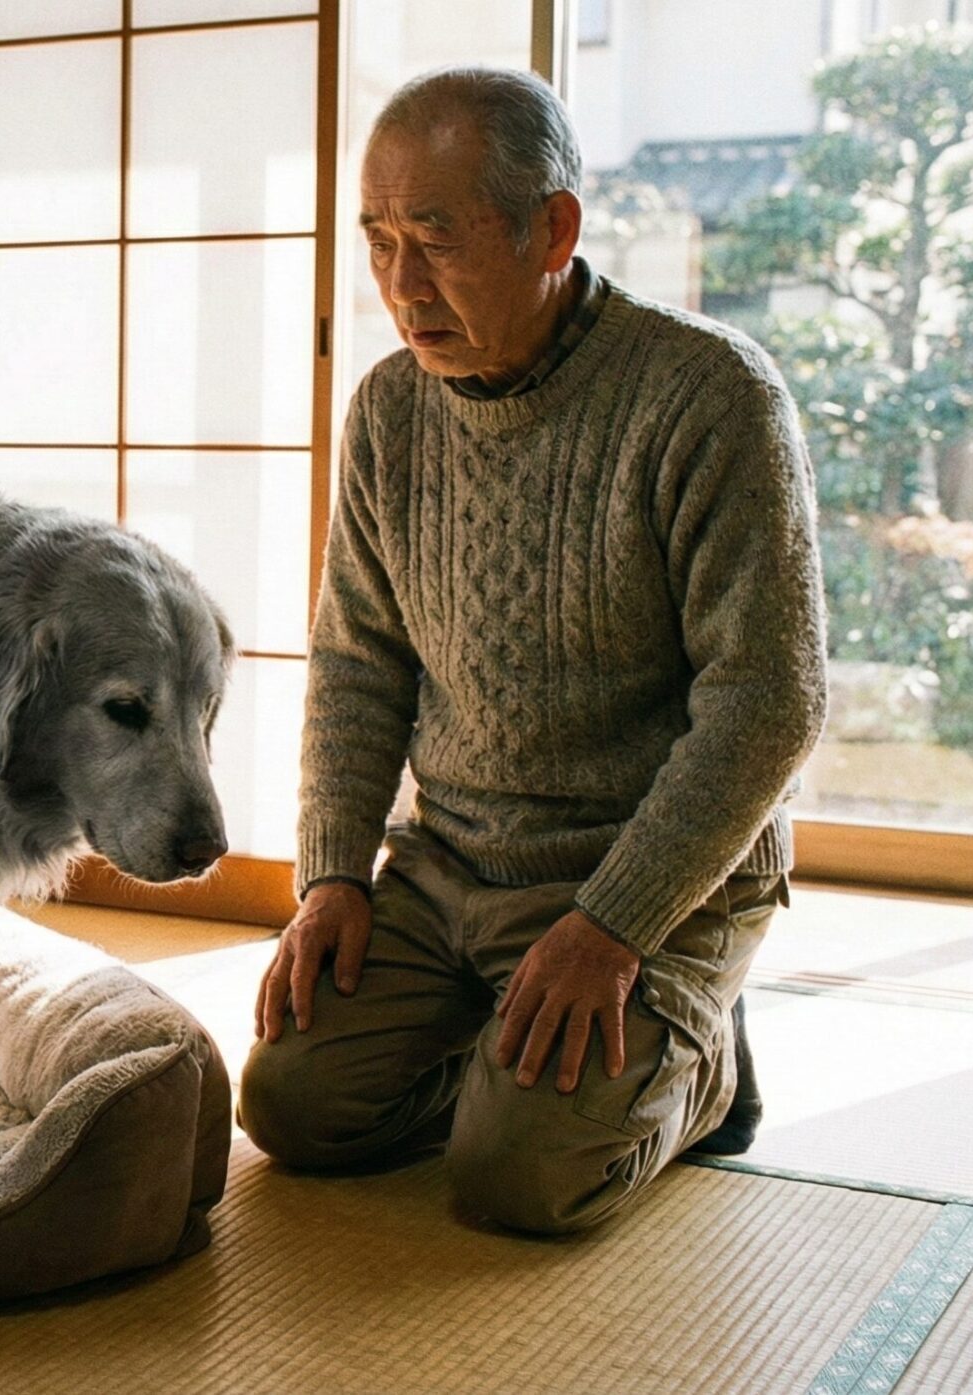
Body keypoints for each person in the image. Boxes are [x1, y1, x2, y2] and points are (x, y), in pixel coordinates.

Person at [240, 65, 827, 1234]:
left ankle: (697, 1066)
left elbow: (771, 700)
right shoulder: (390, 410)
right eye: (380, 241)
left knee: (519, 1181)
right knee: (294, 1109)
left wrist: (616, 923)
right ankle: (525, 1058)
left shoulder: (709, 395)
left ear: (552, 227)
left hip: (641, 879)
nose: (404, 287)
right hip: (453, 860)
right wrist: (334, 876)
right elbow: (359, 660)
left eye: (439, 240)